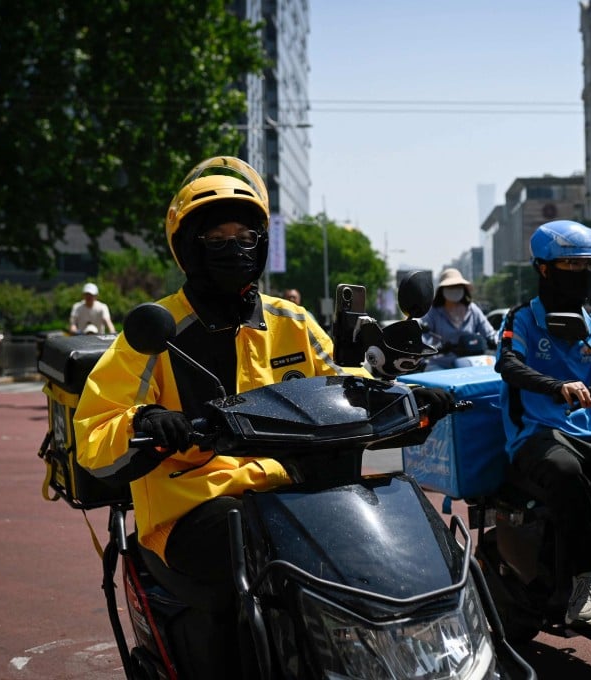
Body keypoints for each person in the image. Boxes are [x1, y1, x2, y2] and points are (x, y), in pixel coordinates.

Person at [73, 156, 450, 679]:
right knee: (249, 548)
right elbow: (94, 431)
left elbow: (349, 385)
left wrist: (408, 390)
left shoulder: (292, 321)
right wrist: (147, 423)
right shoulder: (157, 332)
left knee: (398, 527)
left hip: (299, 495)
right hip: (193, 509)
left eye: (245, 234)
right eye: (217, 237)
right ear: (188, 247)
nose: (235, 247)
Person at [495, 220, 591, 627]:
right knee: (567, 472)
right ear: (544, 269)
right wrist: (557, 385)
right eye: (570, 265)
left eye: (588, 266)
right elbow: (508, 364)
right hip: (537, 437)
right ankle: (583, 585)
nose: (581, 275)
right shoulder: (522, 318)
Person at [418, 268, 497, 370]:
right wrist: (434, 348)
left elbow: (490, 334)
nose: (454, 289)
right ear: (442, 290)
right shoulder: (433, 312)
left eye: (457, 286)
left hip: (471, 363)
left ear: (463, 289)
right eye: (450, 287)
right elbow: (422, 338)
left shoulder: (473, 310)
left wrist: (497, 341)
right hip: (441, 365)